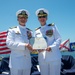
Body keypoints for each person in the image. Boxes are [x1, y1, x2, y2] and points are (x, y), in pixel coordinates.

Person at [34, 8, 62, 75]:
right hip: (42, 59)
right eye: (40, 17)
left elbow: (59, 39)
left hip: (54, 57)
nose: (42, 18)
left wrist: (51, 47)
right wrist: (38, 50)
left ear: (46, 18)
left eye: (44, 16)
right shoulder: (36, 31)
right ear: (38, 19)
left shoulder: (52, 27)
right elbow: (35, 44)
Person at [6, 9, 33, 75]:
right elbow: (9, 43)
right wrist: (24, 45)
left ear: (27, 19)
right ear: (18, 19)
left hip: (27, 63)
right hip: (16, 63)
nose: (23, 19)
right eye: (21, 17)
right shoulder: (12, 30)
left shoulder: (30, 32)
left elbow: (33, 45)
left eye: (25, 17)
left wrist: (35, 48)